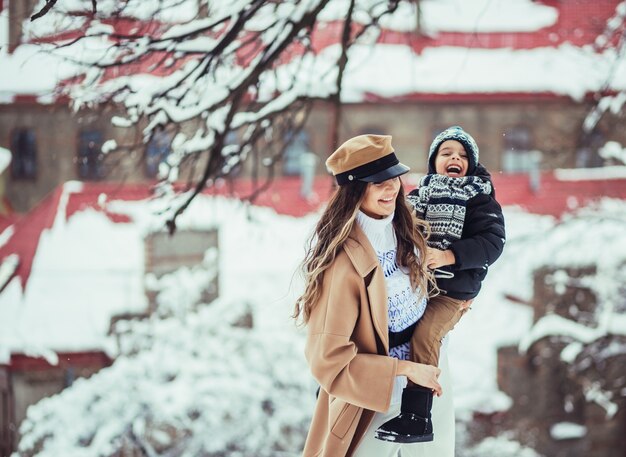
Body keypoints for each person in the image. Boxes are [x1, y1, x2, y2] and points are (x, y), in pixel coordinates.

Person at [294, 134, 454, 457]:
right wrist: (406, 369)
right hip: (370, 404)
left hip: (430, 385)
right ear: (355, 189)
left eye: (393, 176)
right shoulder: (342, 266)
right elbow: (328, 362)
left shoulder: (406, 231)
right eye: (378, 181)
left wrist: (457, 306)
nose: (391, 187)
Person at [374, 125, 506, 443]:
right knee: (391, 332)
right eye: (446, 153)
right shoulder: (417, 197)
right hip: (418, 286)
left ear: (471, 164)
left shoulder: (481, 200)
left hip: (453, 293)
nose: (454, 158)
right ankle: (377, 395)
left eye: (462, 155)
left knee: (426, 335)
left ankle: (418, 417)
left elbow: (492, 243)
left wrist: (447, 255)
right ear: (434, 161)